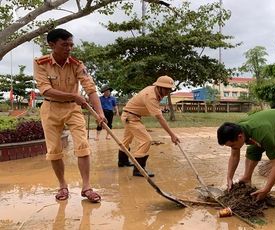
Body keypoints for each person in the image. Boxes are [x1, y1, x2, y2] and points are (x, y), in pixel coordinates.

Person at [34, 28, 106, 203]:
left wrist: (100, 113)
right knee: (54, 150)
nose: (69, 48)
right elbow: (46, 90)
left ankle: (87, 187)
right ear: (52, 45)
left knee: (82, 145)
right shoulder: (40, 63)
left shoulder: (77, 64)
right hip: (50, 109)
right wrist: (74, 95)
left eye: (71, 44)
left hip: (73, 109)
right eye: (64, 44)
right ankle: (62, 186)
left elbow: (90, 89)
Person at [119, 75, 180, 176]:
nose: (167, 92)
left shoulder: (153, 90)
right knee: (146, 140)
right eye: (166, 89)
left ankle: (122, 161)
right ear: (159, 87)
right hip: (130, 117)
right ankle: (139, 170)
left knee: (127, 140)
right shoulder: (151, 96)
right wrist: (172, 135)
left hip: (130, 115)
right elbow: (160, 118)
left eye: (169, 90)